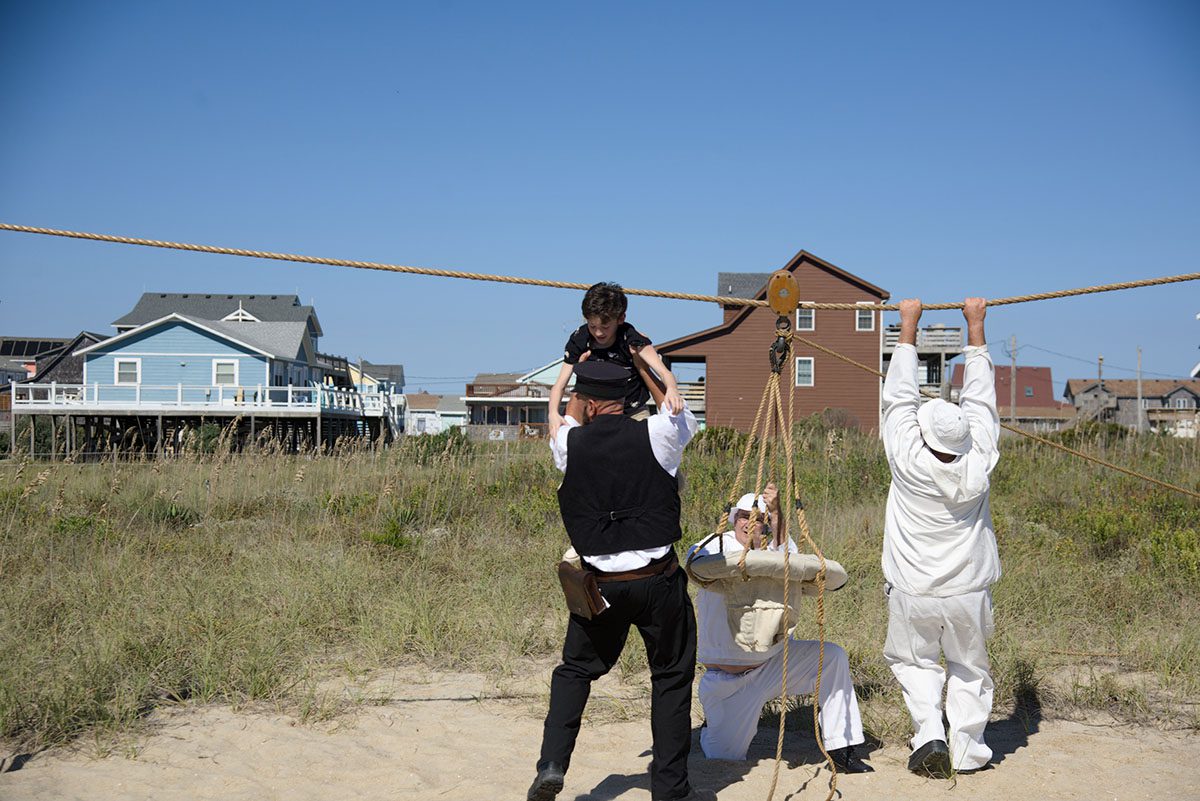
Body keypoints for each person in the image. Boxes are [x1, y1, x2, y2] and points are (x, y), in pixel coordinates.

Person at [527, 360, 703, 801]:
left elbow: (557, 414)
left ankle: (552, 763)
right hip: (657, 582)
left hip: (600, 585)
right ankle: (670, 790)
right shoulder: (659, 433)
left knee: (575, 671)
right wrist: (645, 362)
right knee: (671, 678)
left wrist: (572, 368)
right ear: (627, 400)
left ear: (585, 403)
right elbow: (678, 412)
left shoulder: (569, 442)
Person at [881, 297, 1001, 778]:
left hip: (913, 588)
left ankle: (930, 732)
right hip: (967, 589)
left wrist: (908, 325)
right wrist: (977, 326)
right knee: (970, 667)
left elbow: (898, 398)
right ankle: (966, 750)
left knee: (915, 663)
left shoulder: (908, 458)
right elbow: (982, 401)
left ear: (926, 435)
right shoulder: (981, 461)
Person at [688, 484, 872, 774]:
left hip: (775, 665)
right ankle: (713, 725)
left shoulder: (775, 549)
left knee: (832, 657)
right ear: (734, 518)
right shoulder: (717, 546)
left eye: (759, 518)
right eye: (745, 516)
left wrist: (777, 513)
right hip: (729, 681)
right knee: (722, 755)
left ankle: (841, 748)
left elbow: (791, 558)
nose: (751, 523)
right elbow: (696, 563)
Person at [548, 282, 683, 439]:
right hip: (594, 412)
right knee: (577, 443)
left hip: (632, 410)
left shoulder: (631, 339)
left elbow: (663, 372)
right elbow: (559, 384)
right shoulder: (580, 339)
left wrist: (672, 390)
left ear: (620, 319)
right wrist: (552, 413)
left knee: (642, 446)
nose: (598, 333)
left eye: (605, 327)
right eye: (593, 326)